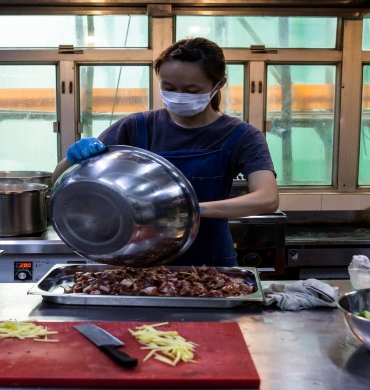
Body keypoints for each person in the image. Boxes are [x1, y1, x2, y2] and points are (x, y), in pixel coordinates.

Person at [52, 37, 279, 266]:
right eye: (168, 88)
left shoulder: (242, 135)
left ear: (219, 84)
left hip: (209, 261)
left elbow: (267, 199)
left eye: (192, 90)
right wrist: (71, 159)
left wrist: (191, 209)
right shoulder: (135, 126)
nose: (178, 95)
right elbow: (60, 181)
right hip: (139, 261)